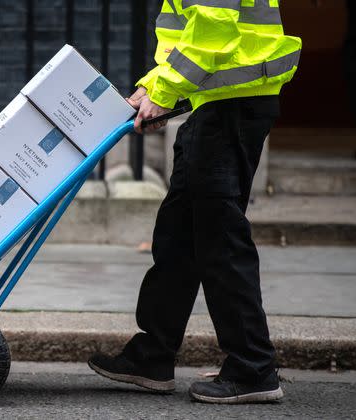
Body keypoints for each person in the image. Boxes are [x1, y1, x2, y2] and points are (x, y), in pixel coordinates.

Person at [88, 0, 301, 404]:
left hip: (232, 108)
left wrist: (166, 91)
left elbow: (214, 30)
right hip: (217, 104)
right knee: (178, 236)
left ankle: (253, 368)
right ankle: (154, 355)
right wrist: (154, 86)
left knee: (220, 239)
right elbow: (189, 37)